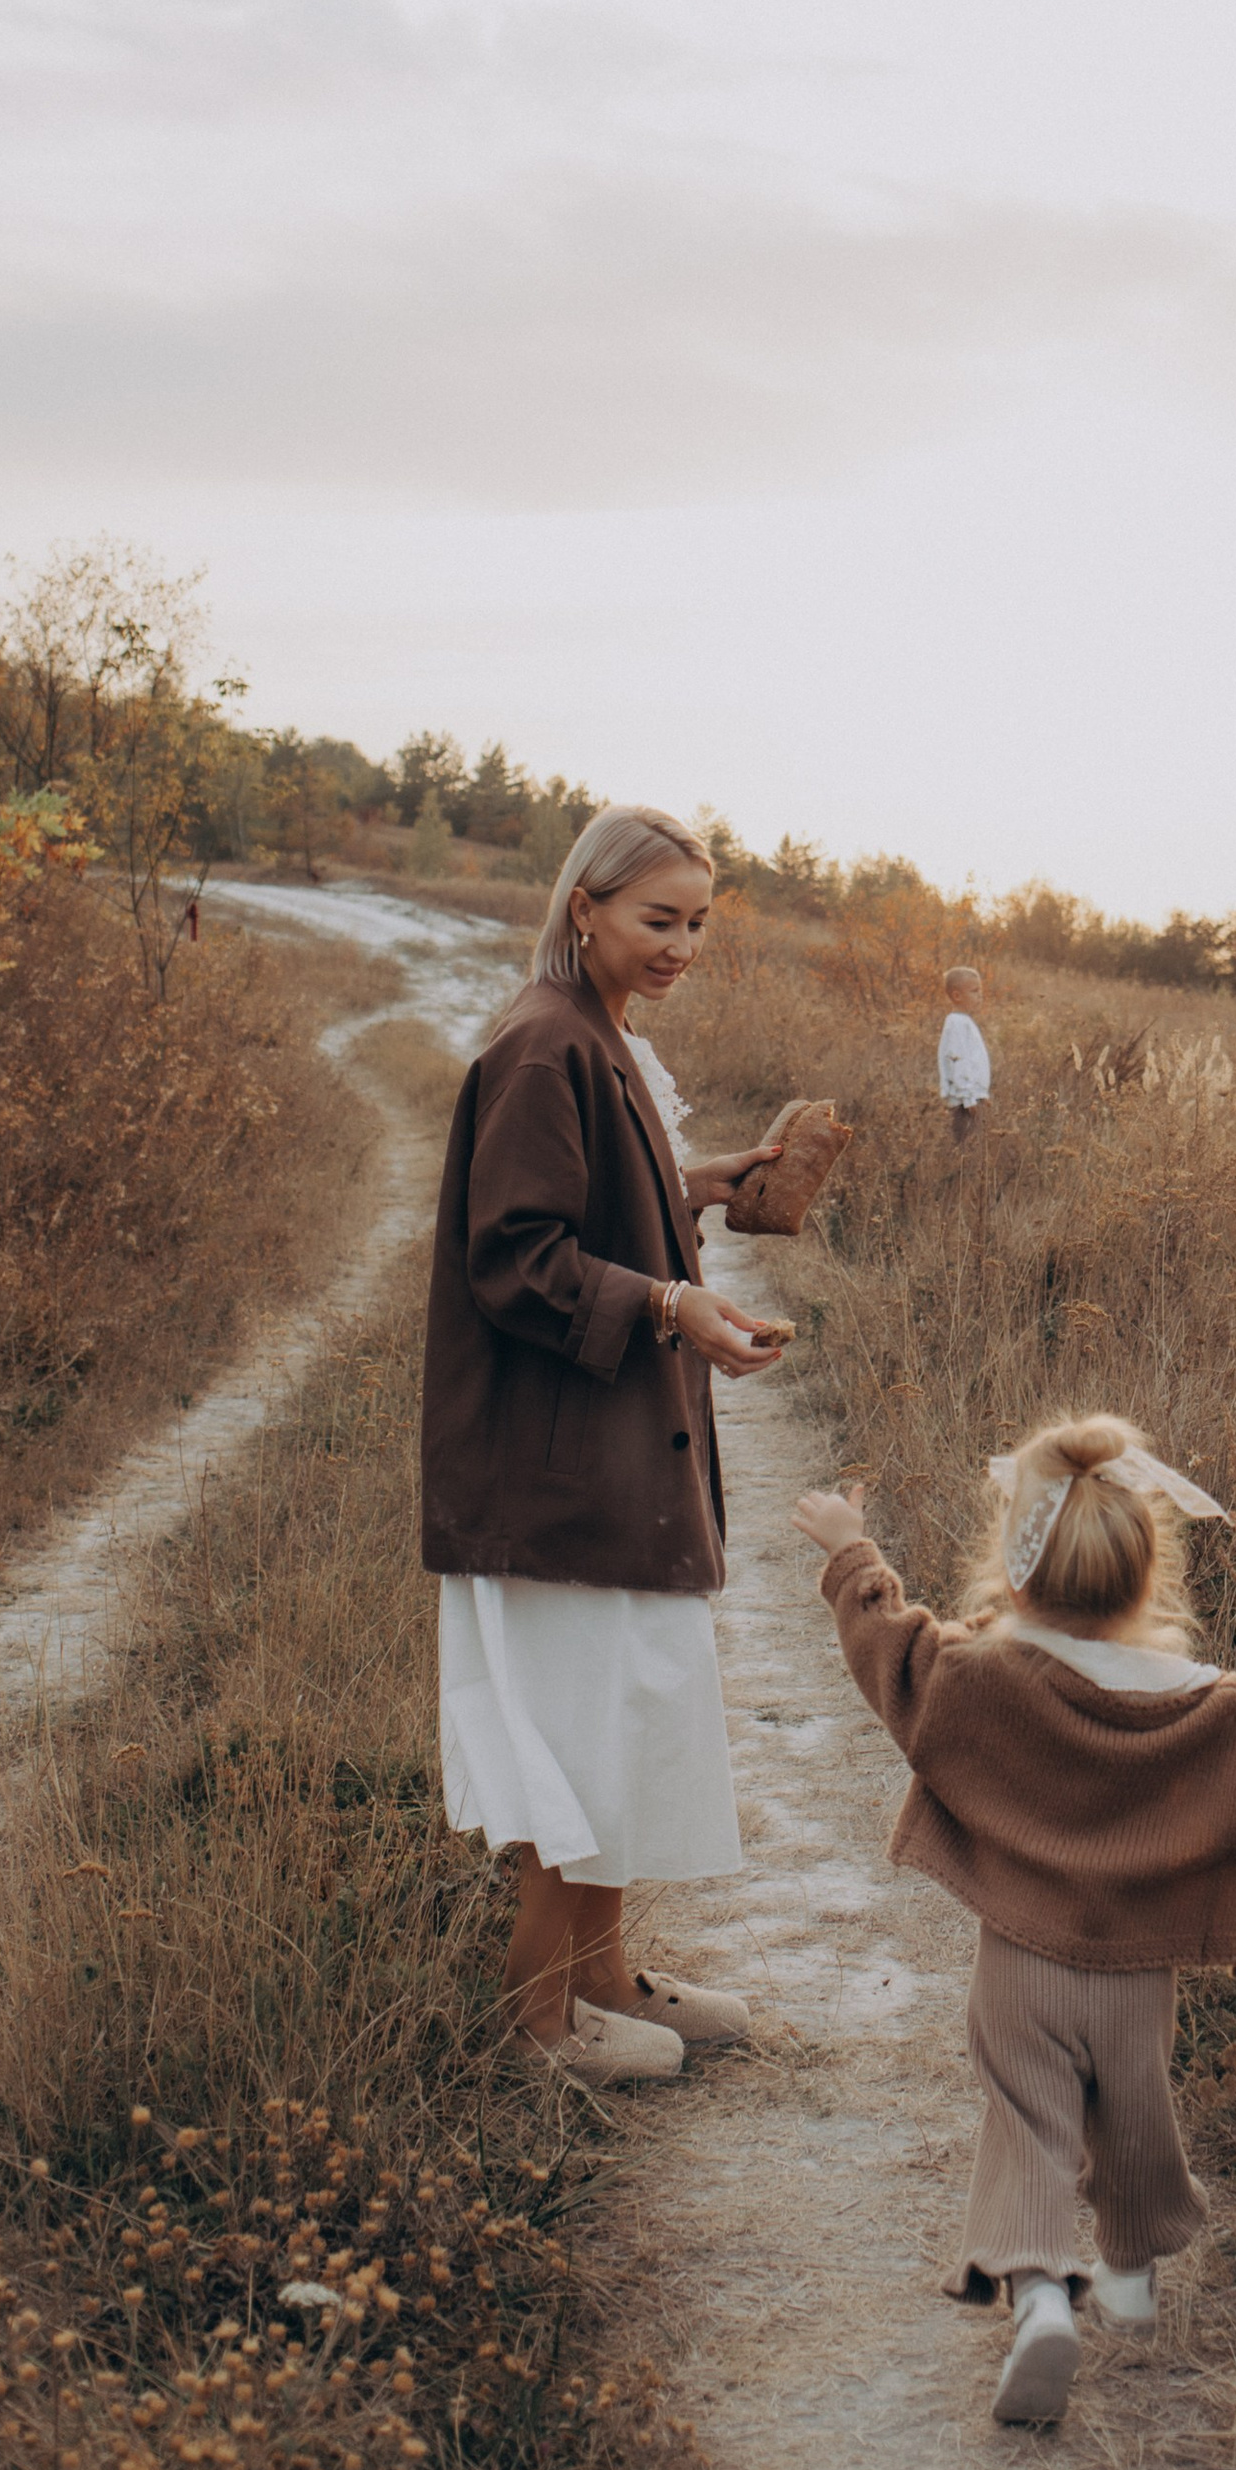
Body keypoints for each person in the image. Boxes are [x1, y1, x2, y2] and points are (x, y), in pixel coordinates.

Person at [792, 1413, 1236, 2427]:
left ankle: (1037, 2301)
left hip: (1019, 1968)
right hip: (1138, 1977)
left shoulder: (978, 1677)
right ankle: (1127, 2282)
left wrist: (854, 1553)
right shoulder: (1219, 1708)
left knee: (1028, 2124)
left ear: (1015, 1573)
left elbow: (893, 1659)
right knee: (1134, 2113)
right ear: (1146, 1575)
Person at [421, 803, 792, 2086]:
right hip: (549, 1467)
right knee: (580, 1730)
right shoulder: (541, 1047)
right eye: (657, 919)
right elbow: (515, 1256)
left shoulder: (601, 1038)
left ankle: (606, 1980)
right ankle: (540, 2026)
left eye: (697, 922)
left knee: (626, 1714)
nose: (682, 943)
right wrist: (671, 1304)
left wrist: (700, 1185)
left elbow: (596, 1192)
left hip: (609, 1452)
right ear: (585, 909)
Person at [937, 962, 991, 1147]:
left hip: (972, 1097)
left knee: (974, 1143)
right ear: (957, 995)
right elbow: (957, 1062)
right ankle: (960, 1173)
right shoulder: (956, 1023)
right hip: (964, 1101)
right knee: (964, 1144)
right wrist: (968, 1097)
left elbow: (974, 1061)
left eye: (979, 991)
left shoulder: (965, 1022)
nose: (980, 996)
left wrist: (981, 1094)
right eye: (974, 991)